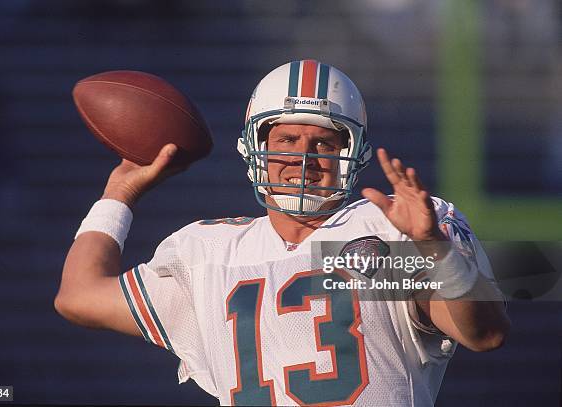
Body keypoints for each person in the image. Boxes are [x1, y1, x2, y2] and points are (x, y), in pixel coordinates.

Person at [55, 60, 510, 406]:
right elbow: (78, 295)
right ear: (257, 149)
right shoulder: (208, 253)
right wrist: (119, 192)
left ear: (353, 154)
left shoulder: (388, 230)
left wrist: (434, 248)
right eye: (286, 141)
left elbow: (484, 334)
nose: (304, 158)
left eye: (324, 143)